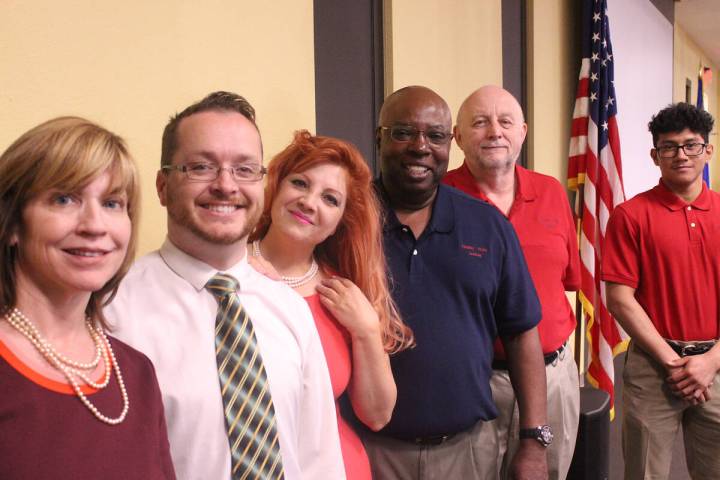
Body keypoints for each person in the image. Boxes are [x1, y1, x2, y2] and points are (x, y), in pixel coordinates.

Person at [105, 92, 346, 480]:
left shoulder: (290, 310)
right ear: (163, 186)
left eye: (245, 169)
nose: (225, 185)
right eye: (201, 167)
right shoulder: (113, 311)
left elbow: (319, 462)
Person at [362, 85, 550, 480]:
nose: (420, 147)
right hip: (369, 450)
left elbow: (521, 333)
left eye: (435, 135)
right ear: (379, 138)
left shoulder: (487, 226)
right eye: (403, 133)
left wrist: (533, 439)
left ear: (451, 144)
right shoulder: (346, 222)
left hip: (466, 451)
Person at [0, 117, 175, 479]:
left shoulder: (137, 374)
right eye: (64, 199)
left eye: (112, 203)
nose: (94, 226)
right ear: (13, 223)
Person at [249, 130, 414, 480]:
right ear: (276, 185)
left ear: (341, 219)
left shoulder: (343, 294)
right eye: (299, 183)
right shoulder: (227, 273)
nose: (309, 202)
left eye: (330, 199)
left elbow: (377, 415)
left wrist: (367, 330)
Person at [444, 85, 581, 480]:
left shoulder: (552, 193)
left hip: (553, 378)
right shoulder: (439, 199)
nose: (494, 132)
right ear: (457, 136)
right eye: (480, 122)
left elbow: (567, 279)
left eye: (505, 122)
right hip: (475, 380)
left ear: (522, 131)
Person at [603, 102, 720, 479]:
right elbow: (619, 299)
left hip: (717, 366)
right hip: (654, 369)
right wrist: (676, 364)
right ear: (655, 155)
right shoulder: (631, 215)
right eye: (669, 147)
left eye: (691, 145)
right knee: (643, 472)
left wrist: (710, 362)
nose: (680, 155)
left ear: (708, 150)